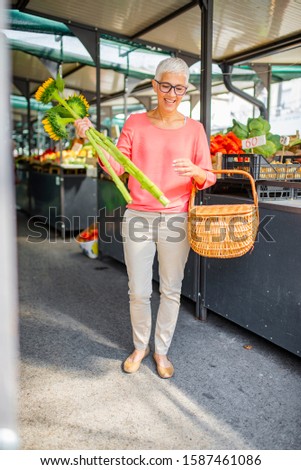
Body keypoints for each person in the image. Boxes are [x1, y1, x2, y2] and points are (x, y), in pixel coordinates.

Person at [74, 57, 216, 379]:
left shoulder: (195, 130)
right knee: (138, 290)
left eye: (179, 88)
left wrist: (197, 171)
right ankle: (140, 346)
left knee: (171, 289)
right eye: (165, 85)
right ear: (155, 85)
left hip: (176, 218)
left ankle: (161, 351)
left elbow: (208, 175)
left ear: (185, 91)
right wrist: (91, 139)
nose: (171, 93)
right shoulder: (135, 123)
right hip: (138, 215)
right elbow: (116, 167)